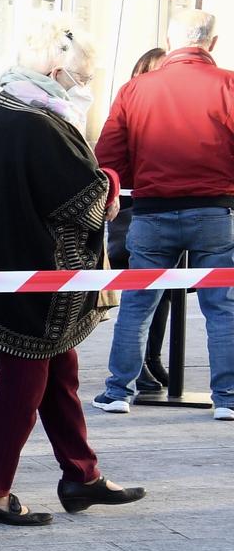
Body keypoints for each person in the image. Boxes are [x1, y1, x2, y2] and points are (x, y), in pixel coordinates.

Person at [0, 15, 148, 525]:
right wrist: (108, 179)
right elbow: (80, 198)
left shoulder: (11, 107)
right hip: (37, 274)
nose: (82, 88)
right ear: (58, 67)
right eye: (81, 78)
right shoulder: (34, 121)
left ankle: (81, 475)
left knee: (60, 373)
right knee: (24, 382)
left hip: (22, 267)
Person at [94, 9, 234, 421]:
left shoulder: (136, 90)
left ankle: (118, 391)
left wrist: (147, 176)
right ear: (211, 42)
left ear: (170, 42)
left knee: (138, 304)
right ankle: (226, 398)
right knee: (221, 307)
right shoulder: (228, 85)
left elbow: (110, 157)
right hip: (214, 213)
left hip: (152, 213)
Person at [101, 47, 174, 399]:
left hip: (159, 207)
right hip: (134, 210)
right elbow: (112, 157)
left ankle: (153, 359)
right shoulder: (133, 106)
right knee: (143, 294)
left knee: (166, 295)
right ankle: (137, 367)